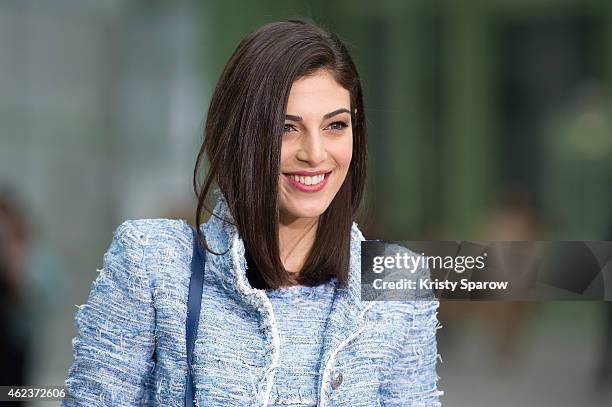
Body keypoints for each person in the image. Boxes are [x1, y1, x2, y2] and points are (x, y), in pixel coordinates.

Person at [62, 19, 442, 406]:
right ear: (240, 135)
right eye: (286, 128)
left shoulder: (397, 282)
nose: (314, 153)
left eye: (335, 125)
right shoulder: (153, 263)